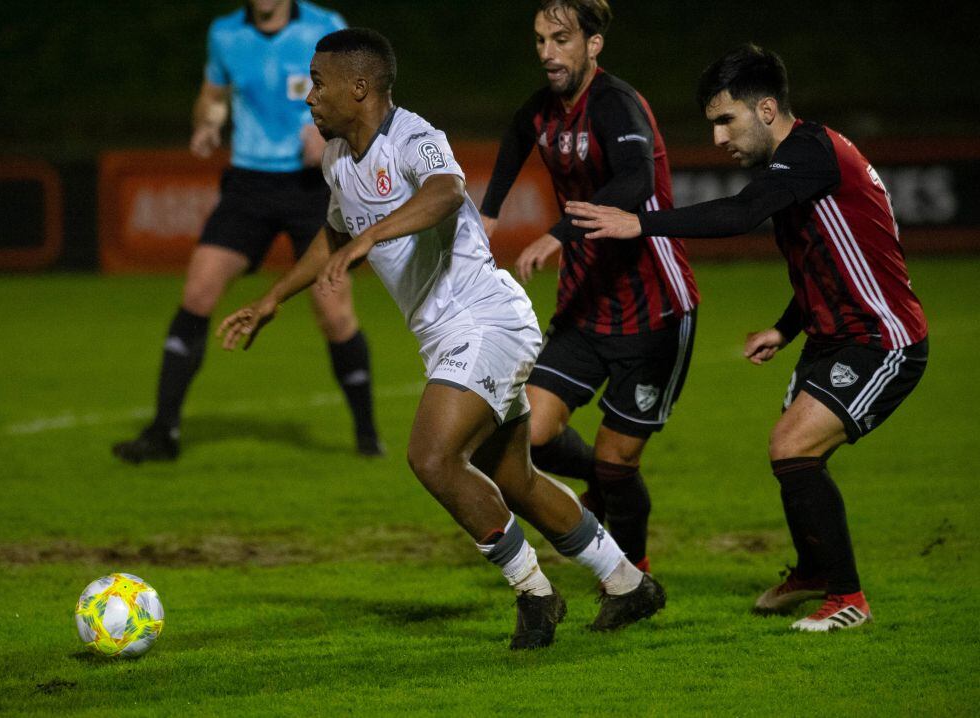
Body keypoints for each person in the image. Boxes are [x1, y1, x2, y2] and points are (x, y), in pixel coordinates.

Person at [219, 27, 666, 649]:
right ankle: (627, 583)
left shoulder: (413, 137)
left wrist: (372, 239)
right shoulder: (335, 159)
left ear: (359, 87)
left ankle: (536, 594)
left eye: (318, 84)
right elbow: (332, 232)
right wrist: (272, 298)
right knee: (515, 480)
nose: (309, 97)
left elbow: (446, 191)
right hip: (447, 334)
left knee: (431, 457)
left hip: (486, 318)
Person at [566, 43, 928, 631]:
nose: (717, 138)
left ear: (766, 109)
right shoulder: (798, 164)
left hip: (883, 340)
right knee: (795, 457)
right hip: (831, 338)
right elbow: (831, 261)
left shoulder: (810, 153)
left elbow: (739, 215)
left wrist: (641, 222)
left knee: (792, 446)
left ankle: (848, 599)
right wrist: (786, 328)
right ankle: (814, 570)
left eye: (724, 120)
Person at [479, 0, 700, 576]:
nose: (548, 53)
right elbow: (513, 140)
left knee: (616, 462)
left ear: (593, 45)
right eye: (539, 41)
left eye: (561, 39)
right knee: (531, 427)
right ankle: (602, 485)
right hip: (586, 304)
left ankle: (634, 575)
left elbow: (635, 179)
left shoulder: (616, 104)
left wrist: (557, 234)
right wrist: (488, 217)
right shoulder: (543, 110)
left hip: (653, 303)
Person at [113, 0, 381, 463]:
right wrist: (206, 124)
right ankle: (163, 434)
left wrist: (328, 134)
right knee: (197, 292)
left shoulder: (325, 26)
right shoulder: (225, 33)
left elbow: (363, 98)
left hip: (310, 187)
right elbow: (213, 97)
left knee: (334, 314)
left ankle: (367, 436)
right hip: (248, 185)